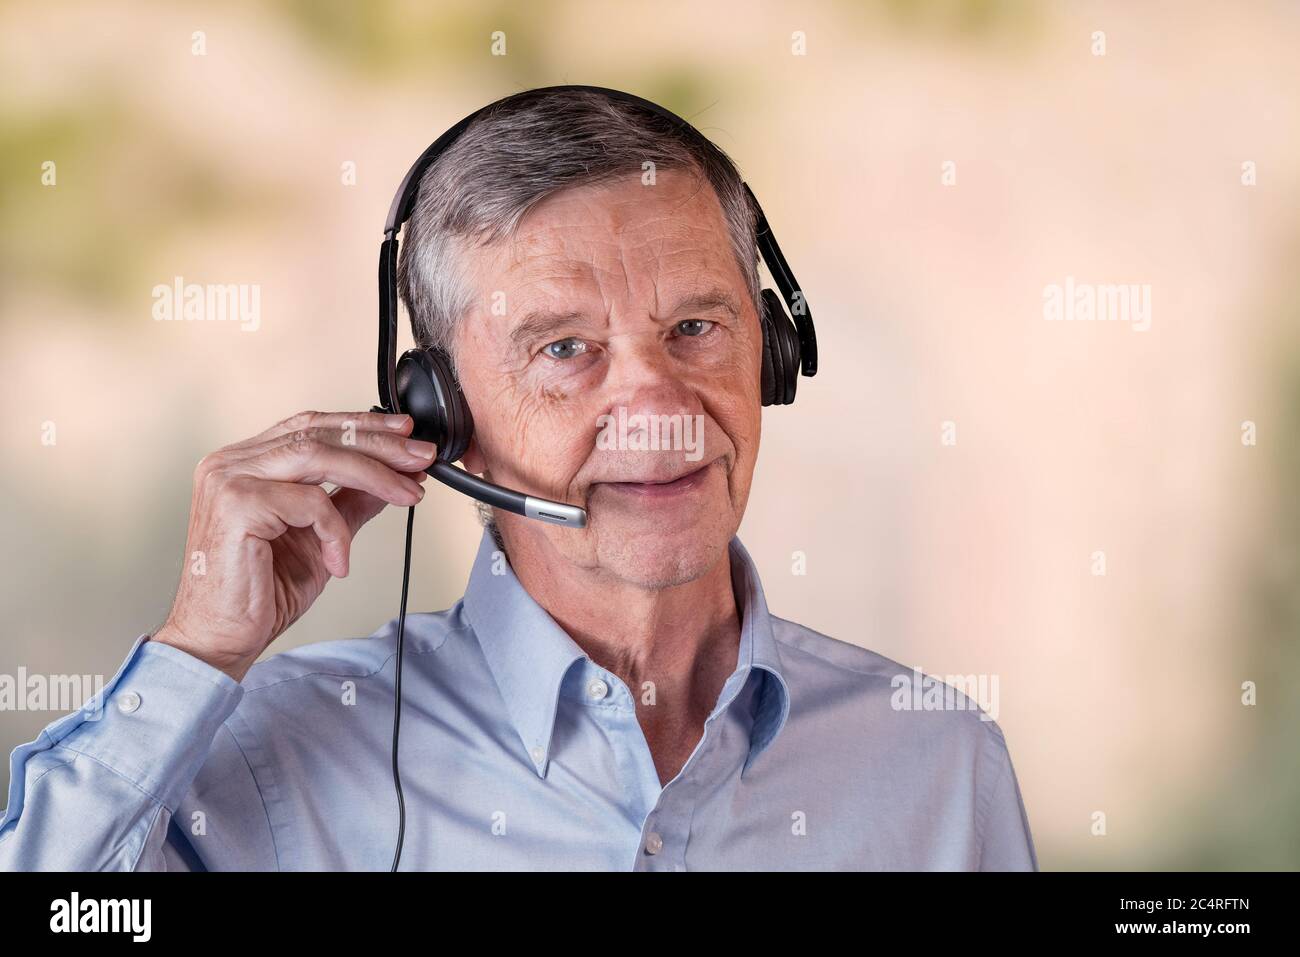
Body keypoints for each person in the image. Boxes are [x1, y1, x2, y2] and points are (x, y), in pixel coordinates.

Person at [0, 88, 1036, 870]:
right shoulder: (282, 757)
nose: (659, 404)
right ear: (440, 414)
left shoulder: (938, 760)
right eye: (562, 349)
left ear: (769, 352)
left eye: (693, 328)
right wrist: (197, 651)